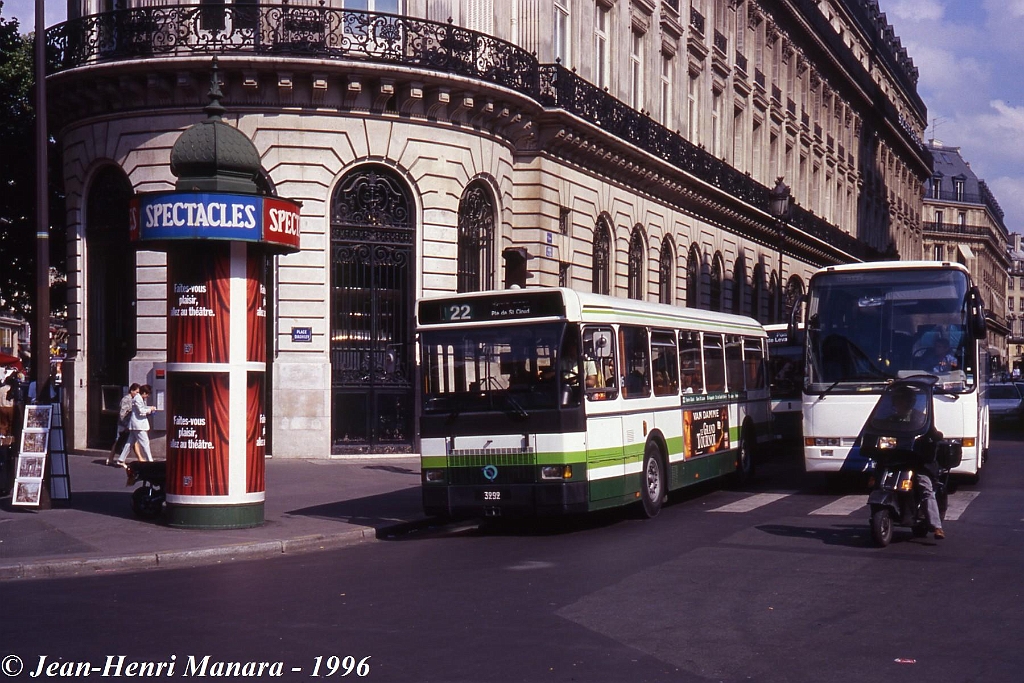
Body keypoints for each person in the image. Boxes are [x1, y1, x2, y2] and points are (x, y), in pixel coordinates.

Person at [887, 385, 944, 540]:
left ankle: (937, 526)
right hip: (897, 460)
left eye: (903, 400)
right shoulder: (891, 420)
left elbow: (933, 434)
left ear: (910, 402)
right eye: (898, 400)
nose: (900, 404)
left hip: (917, 461)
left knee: (926, 488)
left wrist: (934, 437)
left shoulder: (921, 419)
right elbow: (882, 434)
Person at [118, 384, 158, 466]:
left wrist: (149, 407)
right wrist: (150, 410)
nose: (147, 396)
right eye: (147, 394)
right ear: (143, 392)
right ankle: (150, 461)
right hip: (139, 425)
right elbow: (141, 411)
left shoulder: (138, 398)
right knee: (145, 443)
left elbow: (142, 407)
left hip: (136, 425)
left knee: (129, 443)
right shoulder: (138, 398)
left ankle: (121, 460)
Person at [107, 383, 140, 466]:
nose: (137, 394)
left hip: (129, 424)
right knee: (119, 441)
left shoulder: (134, 399)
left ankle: (140, 459)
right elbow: (122, 414)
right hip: (124, 424)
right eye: (137, 392)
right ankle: (111, 458)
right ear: (132, 391)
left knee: (133, 442)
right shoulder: (126, 399)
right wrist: (126, 425)